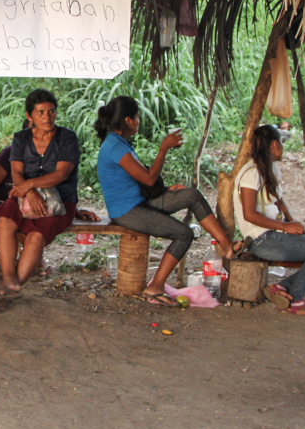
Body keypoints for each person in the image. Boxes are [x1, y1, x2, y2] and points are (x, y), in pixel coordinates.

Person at [94, 96, 239, 307]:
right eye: (137, 117)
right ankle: (156, 287)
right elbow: (149, 177)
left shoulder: (119, 142)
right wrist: (164, 148)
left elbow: (139, 180)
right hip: (127, 210)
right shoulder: (115, 147)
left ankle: (226, 245)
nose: (138, 121)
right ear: (127, 120)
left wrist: (165, 190)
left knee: (192, 195)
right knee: (184, 233)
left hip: (139, 201)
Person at [0, 89, 98, 311]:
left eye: (51, 111)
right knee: (5, 220)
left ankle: (8, 291)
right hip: (26, 197)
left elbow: (61, 175)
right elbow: (17, 172)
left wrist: (29, 185)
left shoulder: (67, 138)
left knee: (36, 236)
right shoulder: (21, 138)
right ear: (30, 116)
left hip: (60, 201)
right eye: (40, 112)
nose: (47, 117)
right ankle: (9, 281)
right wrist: (28, 192)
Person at [235, 124, 305, 315]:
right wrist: (284, 225)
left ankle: (281, 288)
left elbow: (278, 200)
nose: (283, 147)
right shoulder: (252, 173)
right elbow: (249, 214)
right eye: (282, 143)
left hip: (275, 234)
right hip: (261, 240)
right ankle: (295, 300)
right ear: (275, 145)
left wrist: (292, 222)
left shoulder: (271, 167)